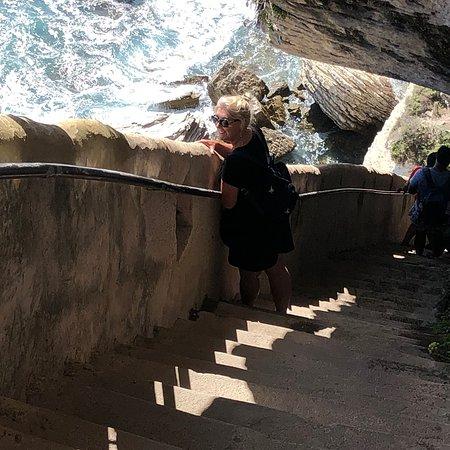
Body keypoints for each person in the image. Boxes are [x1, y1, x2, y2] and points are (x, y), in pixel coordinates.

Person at [199, 94, 294, 312]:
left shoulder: (234, 164)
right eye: (215, 119)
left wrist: (223, 175)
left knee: (249, 272)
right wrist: (218, 145)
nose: (218, 126)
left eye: (224, 122)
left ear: (240, 123)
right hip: (273, 210)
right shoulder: (255, 133)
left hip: (252, 225)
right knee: (276, 267)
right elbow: (244, 154)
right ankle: (282, 314)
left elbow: (228, 203)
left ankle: (247, 309)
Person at [408, 145, 450, 257]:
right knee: (439, 235)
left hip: (422, 213)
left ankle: (419, 253)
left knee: (420, 229)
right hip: (441, 216)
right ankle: (435, 251)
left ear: (437, 157)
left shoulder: (422, 173)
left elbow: (411, 189)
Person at [401, 151, 437, 246]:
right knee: (430, 226)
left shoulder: (421, 172)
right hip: (436, 205)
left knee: (416, 224)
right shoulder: (443, 175)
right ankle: (432, 246)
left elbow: (411, 187)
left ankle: (406, 242)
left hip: (421, 203)